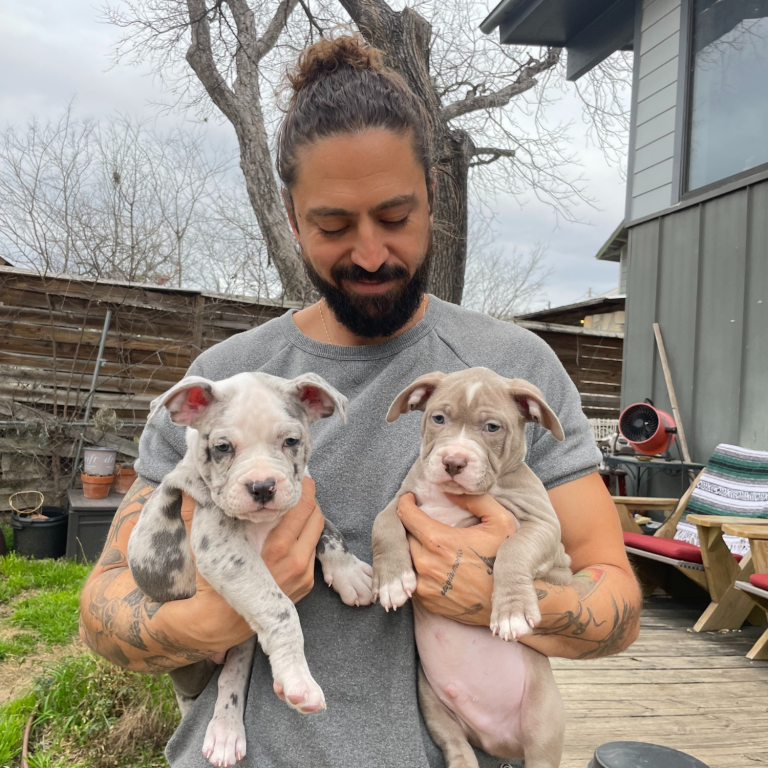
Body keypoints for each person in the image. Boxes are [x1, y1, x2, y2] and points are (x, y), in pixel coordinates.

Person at [79, 35, 641, 768]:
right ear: (290, 217)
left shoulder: (511, 369)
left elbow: (617, 599)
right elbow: (102, 611)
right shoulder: (225, 382)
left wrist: (494, 593)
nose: (371, 253)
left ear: (433, 196)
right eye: (334, 225)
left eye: (396, 216)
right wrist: (227, 611)